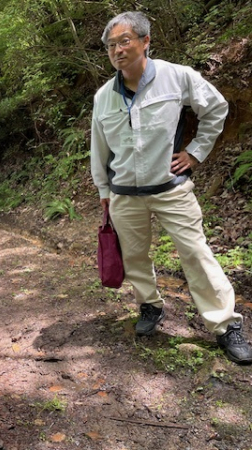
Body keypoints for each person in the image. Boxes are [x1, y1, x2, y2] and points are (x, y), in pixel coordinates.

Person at [90, 11, 252, 364]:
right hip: (123, 196)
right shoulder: (103, 96)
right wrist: (104, 191)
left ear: (145, 41)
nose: (117, 50)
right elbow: (98, 148)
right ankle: (150, 306)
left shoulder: (176, 76)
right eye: (111, 45)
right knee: (134, 258)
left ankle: (225, 325)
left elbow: (216, 108)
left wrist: (195, 153)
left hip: (171, 189)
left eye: (124, 41)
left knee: (196, 253)